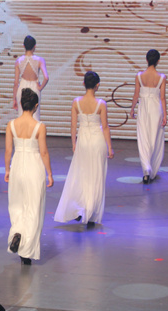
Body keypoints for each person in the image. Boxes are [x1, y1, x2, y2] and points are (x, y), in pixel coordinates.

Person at [54, 71, 114, 227]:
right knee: (96, 177)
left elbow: (73, 126)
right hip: (97, 142)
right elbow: (105, 127)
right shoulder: (101, 104)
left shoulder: (76, 102)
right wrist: (110, 147)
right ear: (97, 85)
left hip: (83, 142)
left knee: (82, 175)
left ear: (83, 84)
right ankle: (90, 213)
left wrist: (74, 143)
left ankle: (81, 208)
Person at [5, 89, 53, 265]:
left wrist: (7, 170)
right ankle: (26, 251)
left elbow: (8, 150)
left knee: (17, 205)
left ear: (21, 103)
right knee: (33, 208)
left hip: (17, 166)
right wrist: (49, 173)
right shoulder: (39, 126)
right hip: (34, 167)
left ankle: (17, 233)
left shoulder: (11, 125)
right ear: (36, 106)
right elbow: (44, 152)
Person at [130, 49, 167, 184]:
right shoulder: (161, 77)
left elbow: (136, 95)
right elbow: (162, 98)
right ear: (158, 61)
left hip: (144, 108)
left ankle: (146, 169)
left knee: (143, 137)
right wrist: (165, 115)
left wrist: (132, 108)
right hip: (156, 108)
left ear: (146, 60)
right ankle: (151, 169)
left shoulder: (139, 76)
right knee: (154, 138)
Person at [12, 35, 49, 121]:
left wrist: (14, 99)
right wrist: (40, 87)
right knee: (34, 116)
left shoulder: (18, 61)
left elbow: (16, 83)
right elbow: (46, 77)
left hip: (22, 88)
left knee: (21, 116)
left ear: (24, 46)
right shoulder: (40, 60)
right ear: (34, 46)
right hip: (34, 88)